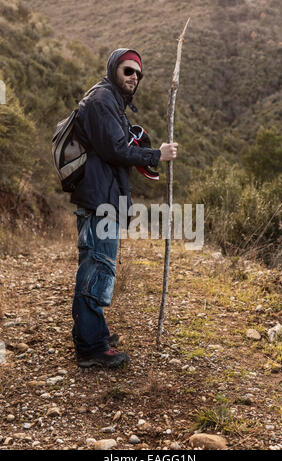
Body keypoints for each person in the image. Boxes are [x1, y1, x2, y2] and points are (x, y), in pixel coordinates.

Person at [70, 48, 178, 368]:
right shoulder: (103, 100)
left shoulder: (113, 103)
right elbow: (116, 150)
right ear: (114, 68)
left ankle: (91, 333)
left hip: (103, 199)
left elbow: (115, 148)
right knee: (98, 270)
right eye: (128, 70)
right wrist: (156, 155)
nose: (133, 77)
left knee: (95, 268)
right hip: (100, 201)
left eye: (138, 74)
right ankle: (91, 349)